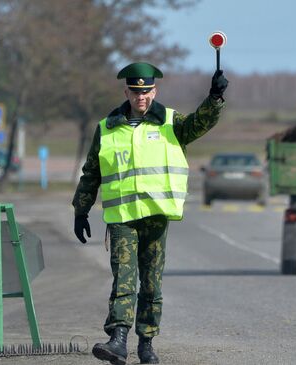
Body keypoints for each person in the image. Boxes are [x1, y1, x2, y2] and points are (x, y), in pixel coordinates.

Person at [72, 62, 227, 365]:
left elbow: (199, 124)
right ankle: (117, 340)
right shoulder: (107, 128)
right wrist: (81, 210)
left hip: (155, 216)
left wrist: (215, 97)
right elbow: (92, 172)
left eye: (146, 91)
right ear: (126, 91)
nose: (141, 97)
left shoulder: (170, 122)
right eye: (135, 91)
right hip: (122, 218)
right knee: (124, 280)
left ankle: (147, 342)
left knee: (152, 283)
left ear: (154, 91)